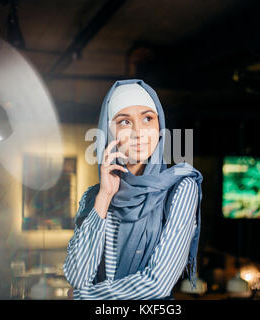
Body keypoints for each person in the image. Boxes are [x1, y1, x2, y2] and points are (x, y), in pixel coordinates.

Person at [63, 79, 203, 300]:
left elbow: (158, 284)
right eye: (124, 122)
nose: (139, 132)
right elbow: (78, 278)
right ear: (109, 132)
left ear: (159, 127)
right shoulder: (93, 197)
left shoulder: (181, 188)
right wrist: (105, 196)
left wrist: (83, 297)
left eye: (148, 118)